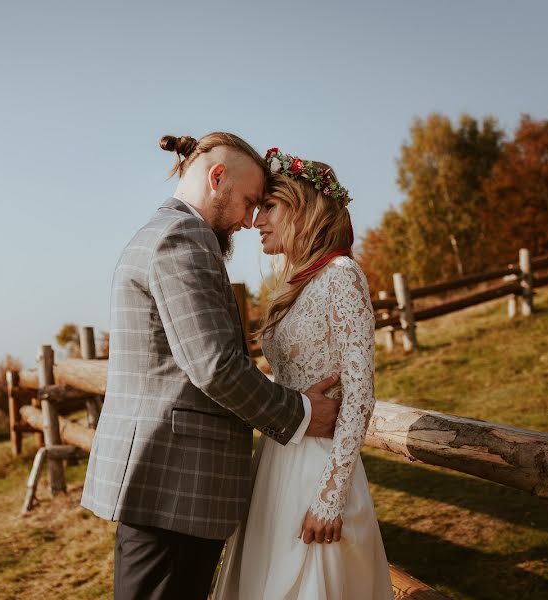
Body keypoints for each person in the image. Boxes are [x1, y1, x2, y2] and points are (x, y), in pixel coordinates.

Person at [80, 133, 344, 600]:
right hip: (177, 482)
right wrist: (302, 413)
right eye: (247, 202)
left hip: (168, 481)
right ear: (216, 177)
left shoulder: (166, 232)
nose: (248, 220)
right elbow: (214, 367)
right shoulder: (184, 237)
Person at [213, 149, 394, 599]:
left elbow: (360, 394)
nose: (256, 222)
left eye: (269, 207)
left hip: (319, 467)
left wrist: (331, 496)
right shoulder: (294, 284)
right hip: (276, 459)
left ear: (303, 209)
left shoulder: (342, 275)